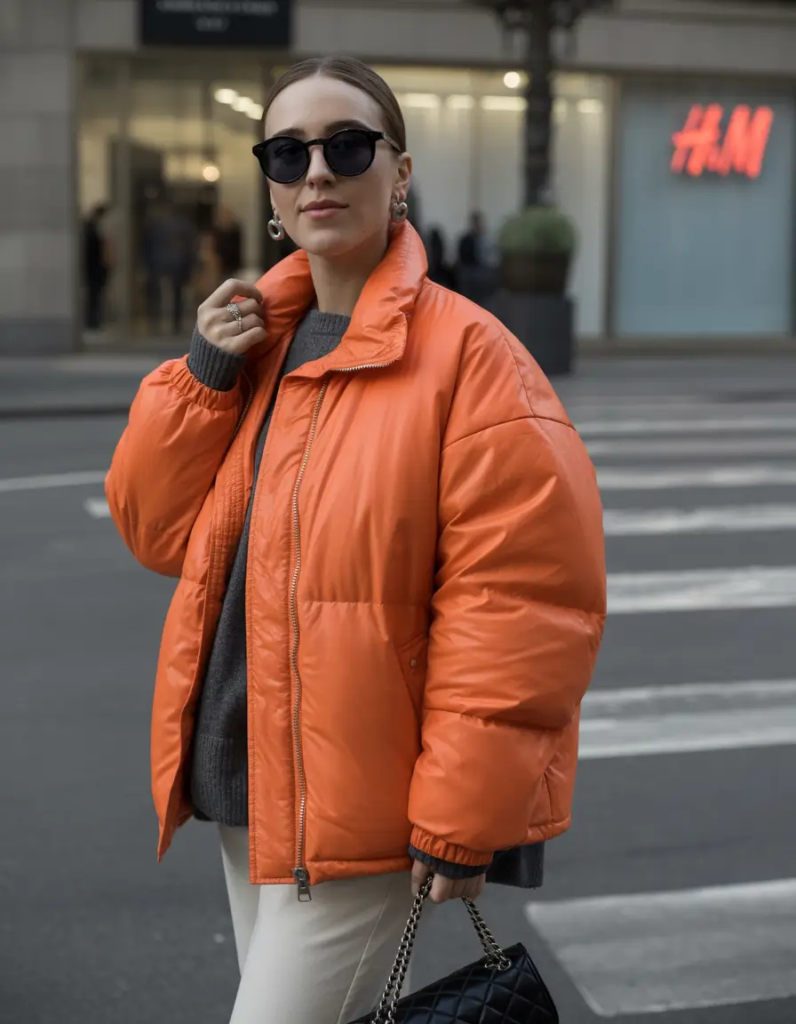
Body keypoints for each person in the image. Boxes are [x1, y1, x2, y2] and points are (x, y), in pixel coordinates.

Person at [105, 56, 606, 1024]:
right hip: (244, 779)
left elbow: (521, 604)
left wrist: (463, 817)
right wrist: (201, 377)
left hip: (364, 808)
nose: (317, 172)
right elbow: (154, 531)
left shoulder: (472, 359)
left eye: (346, 145)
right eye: (288, 152)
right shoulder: (252, 344)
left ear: (400, 172)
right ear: (269, 185)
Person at [142, 199, 197, 335]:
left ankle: (158, 321)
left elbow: (147, 246)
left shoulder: (159, 225)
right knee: (172, 294)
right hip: (172, 264)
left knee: (164, 293)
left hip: (164, 263)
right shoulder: (164, 226)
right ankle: (170, 322)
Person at [82, 203, 111, 329]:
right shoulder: (93, 230)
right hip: (94, 269)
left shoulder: (91, 229)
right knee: (94, 297)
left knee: (94, 297)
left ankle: (93, 321)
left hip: (93, 269)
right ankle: (93, 322)